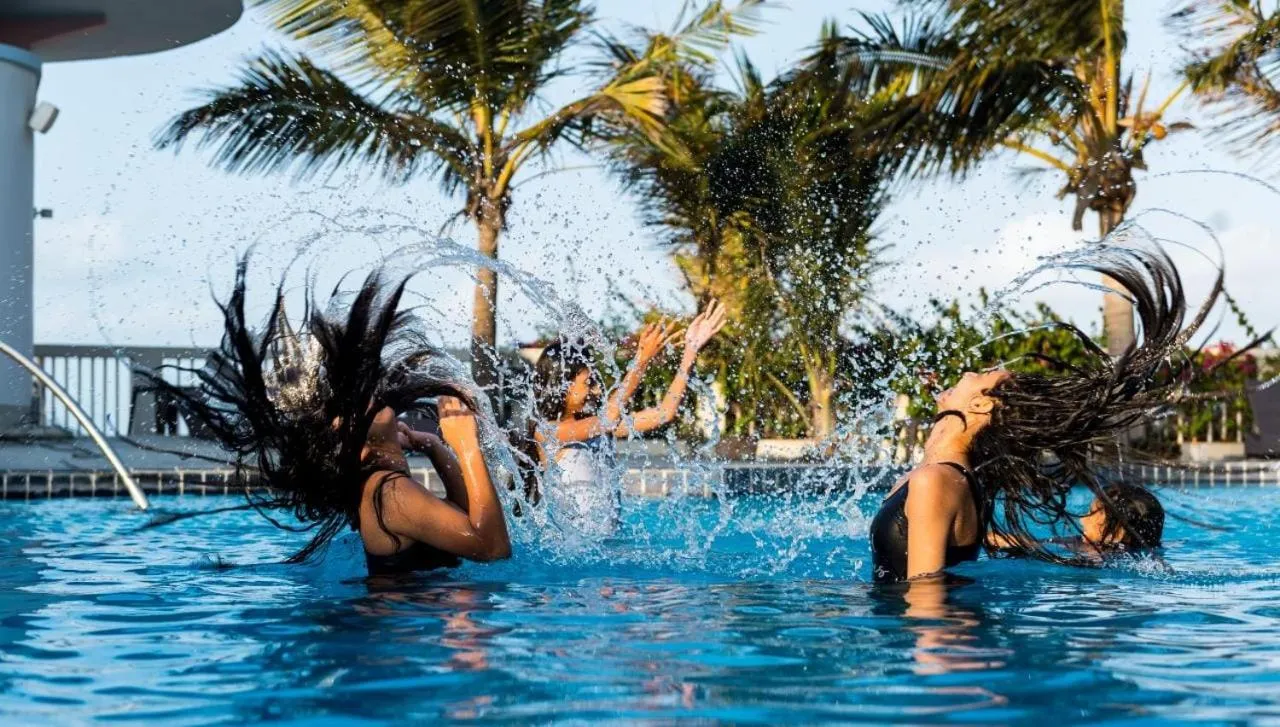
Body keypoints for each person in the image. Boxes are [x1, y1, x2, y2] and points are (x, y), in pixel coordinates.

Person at [870, 246, 1251, 583]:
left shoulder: (936, 481)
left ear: (982, 406)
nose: (971, 372)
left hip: (930, 651)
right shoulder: (948, 476)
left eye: (983, 376)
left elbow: (925, 602)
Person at [140, 260, 511, 574]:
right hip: (399, 644)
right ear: (346, 439)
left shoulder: (385, 487)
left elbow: (466, 519)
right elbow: (492, 549)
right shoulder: (389, 493)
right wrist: (465, 446)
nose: (370, 394)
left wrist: (433, 446)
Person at [519, 301, 727, 536]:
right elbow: (608, 417)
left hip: (606, 549)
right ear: (562, 385)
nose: (597, 390)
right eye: (589, 383)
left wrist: (690, 351)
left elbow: (664, 413)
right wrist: (641, 360)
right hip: (575, 558)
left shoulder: (597, 427)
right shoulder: (548, 432)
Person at [985, 482, 1165, 557]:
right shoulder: (1150, 551)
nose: (1082, 520)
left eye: (1092, 513)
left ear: (1118, 532)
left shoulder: (1095, 554)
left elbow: (1035, 546)